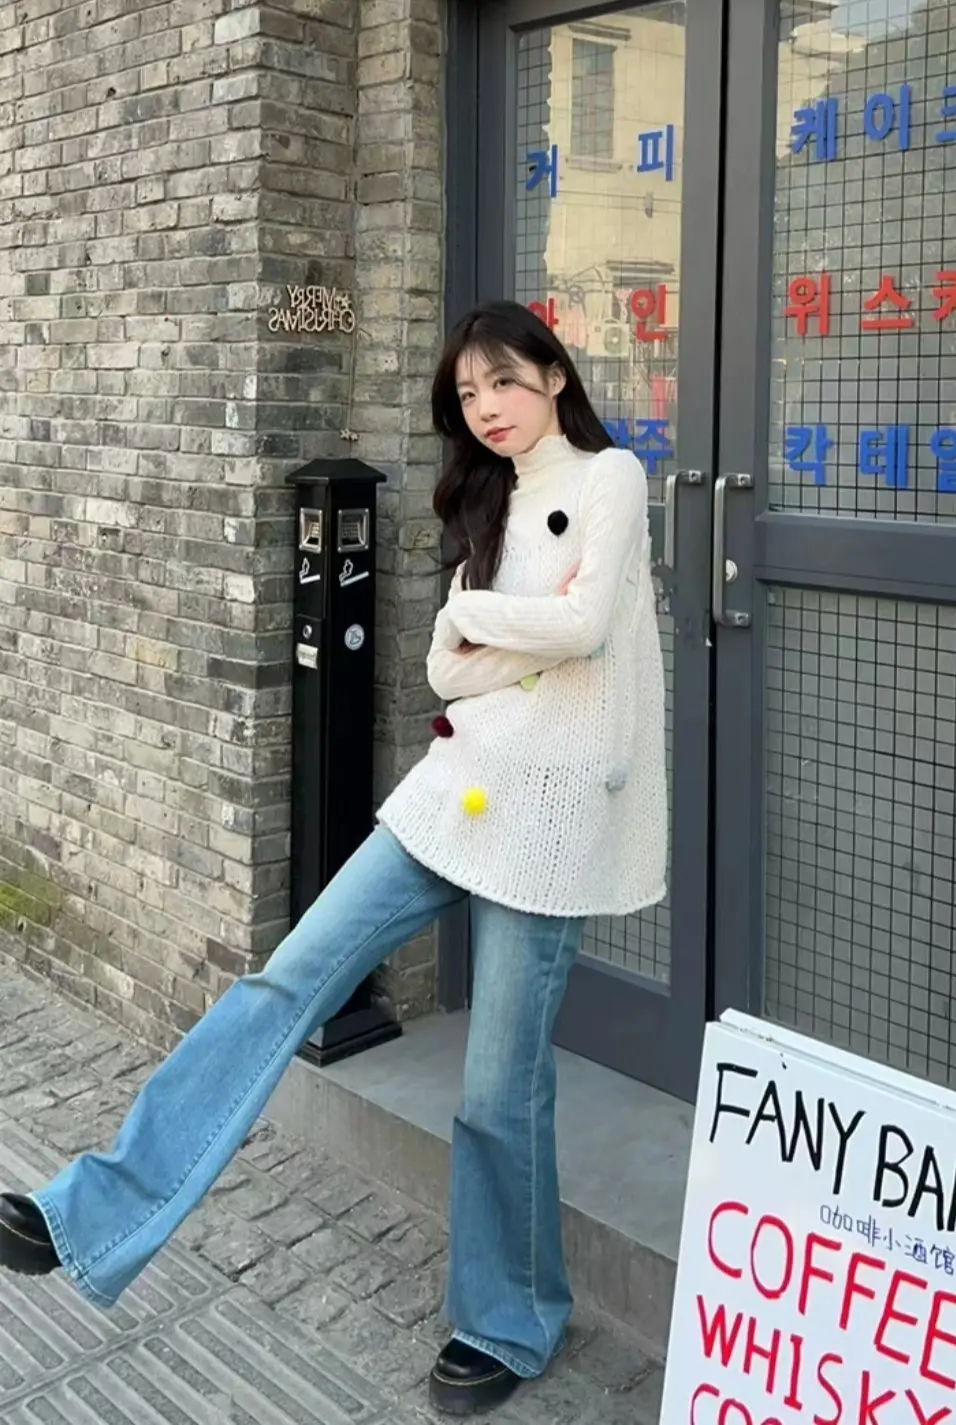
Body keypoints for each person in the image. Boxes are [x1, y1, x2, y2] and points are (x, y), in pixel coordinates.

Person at [0, 299, 668, 1416]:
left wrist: (489, 624)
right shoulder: (489, 499)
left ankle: (508, 1319)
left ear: (554, 375)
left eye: (504, 381)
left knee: (499, 1089)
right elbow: (447, 669)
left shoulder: (612, 477)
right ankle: (90, 1210)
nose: (487, 408)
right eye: (467, 394)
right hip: (459, 791)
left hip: (552, 821)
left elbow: (588, 625)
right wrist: (502, 627)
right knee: (285, 980)